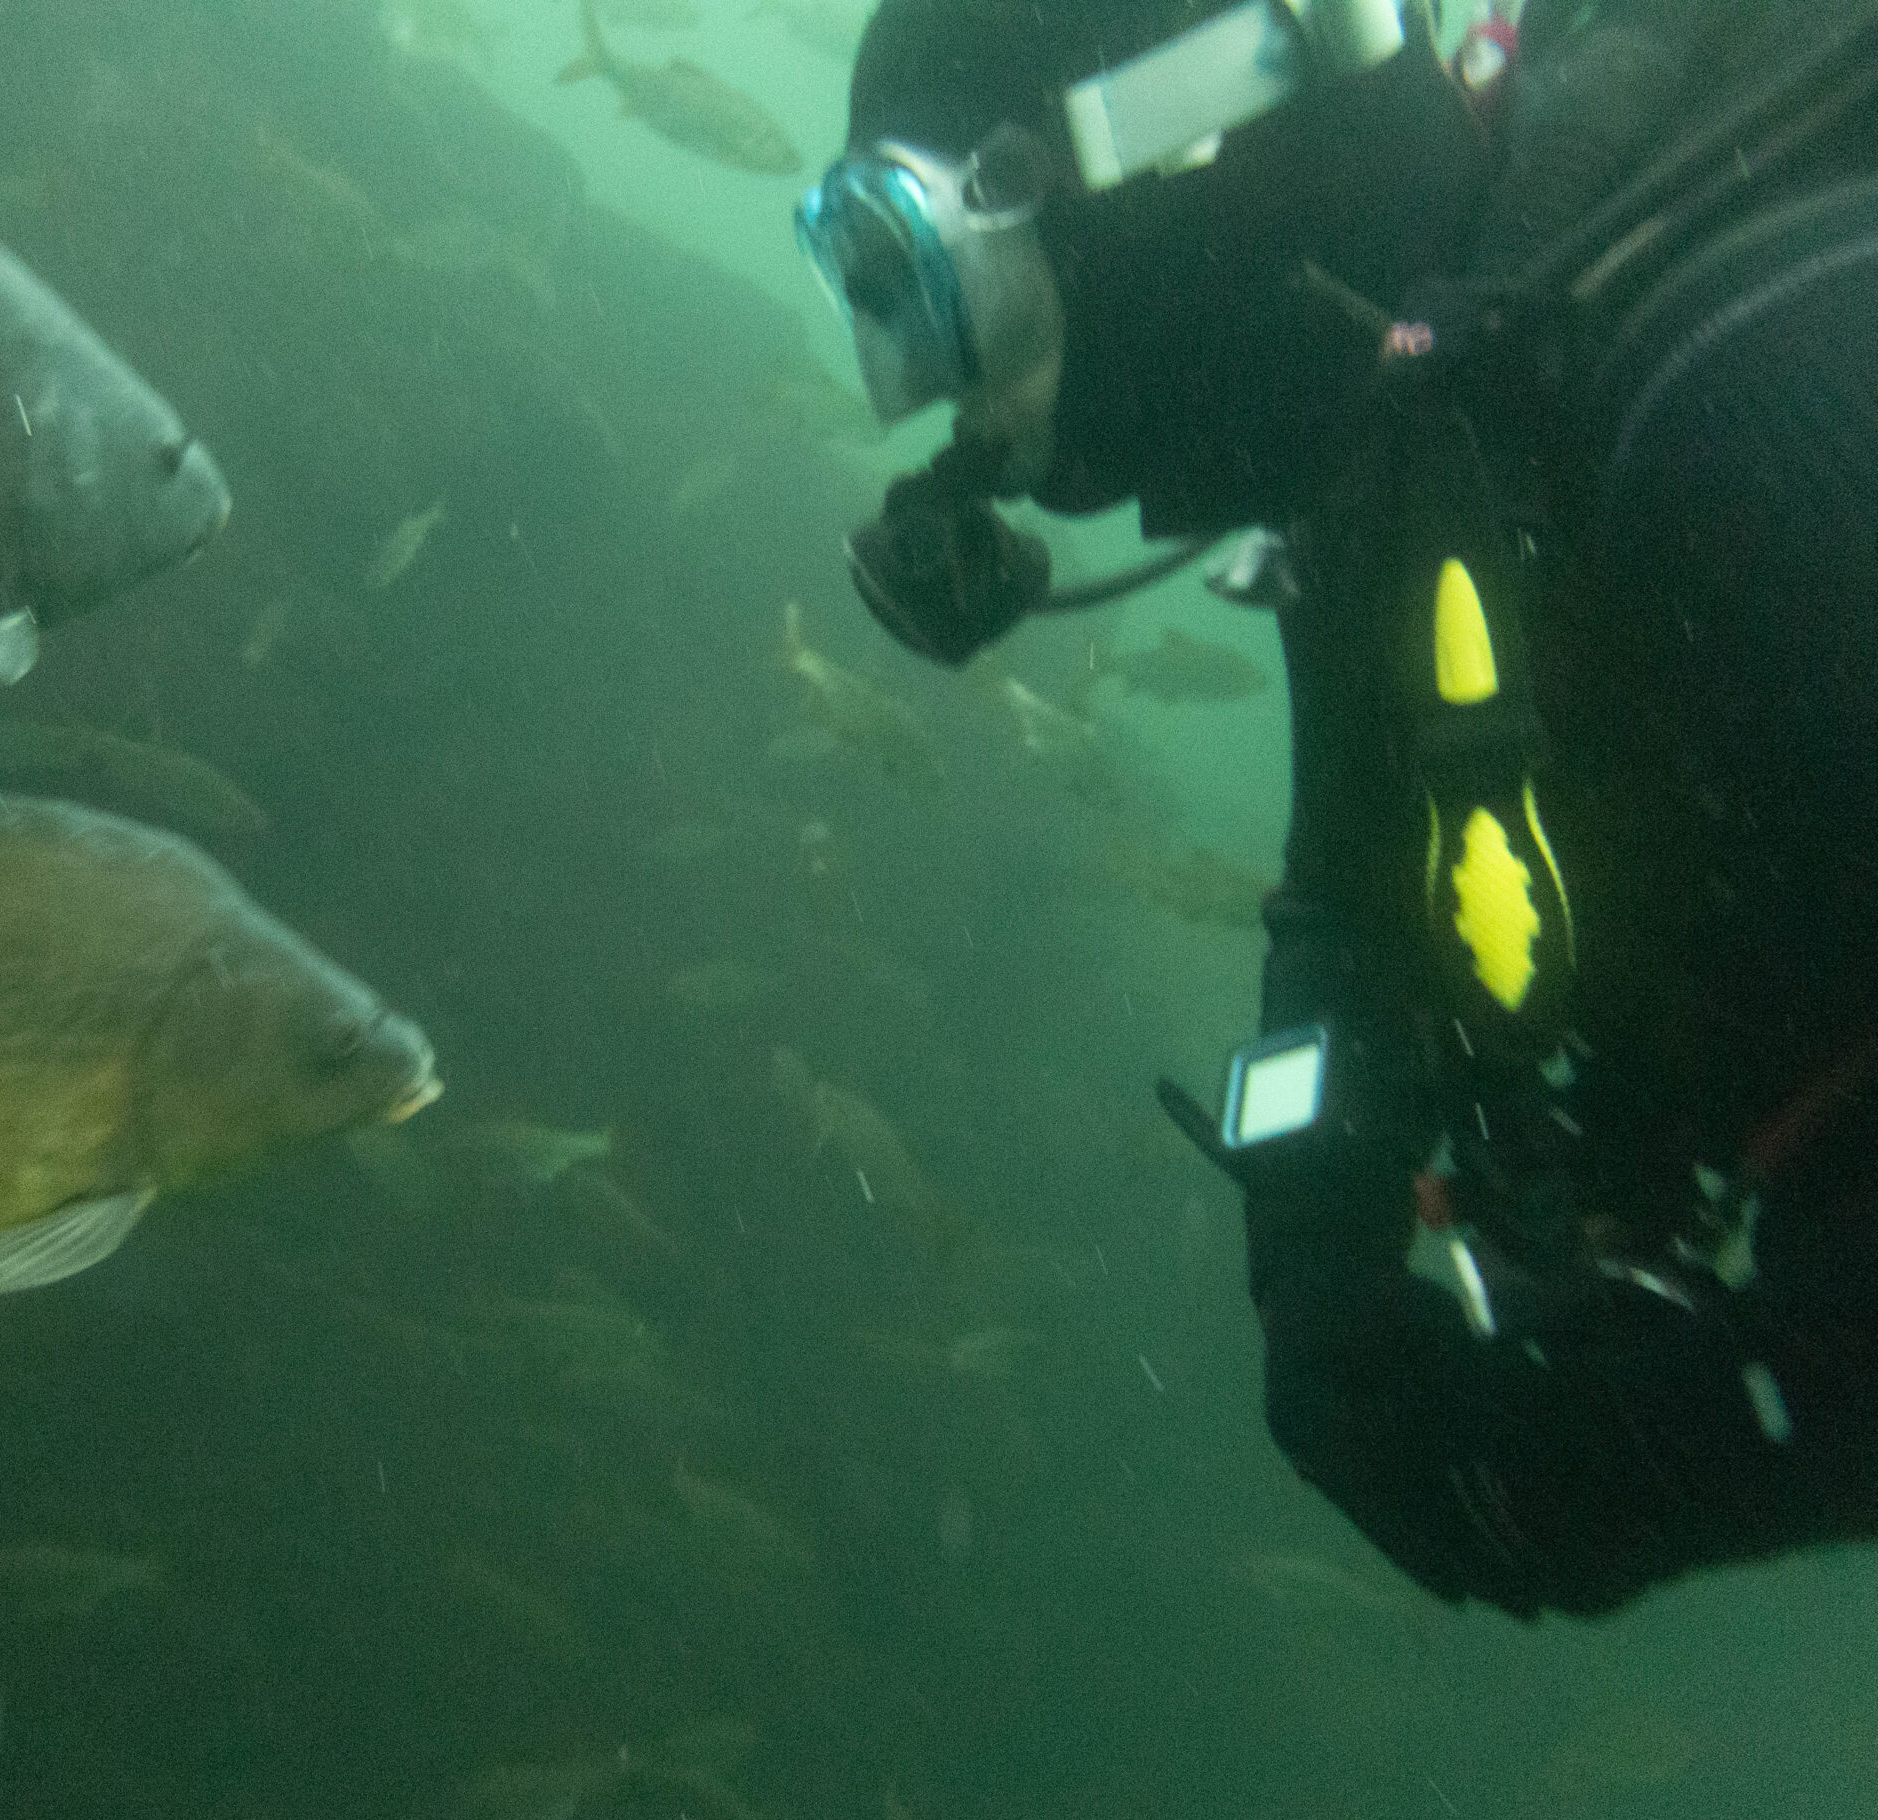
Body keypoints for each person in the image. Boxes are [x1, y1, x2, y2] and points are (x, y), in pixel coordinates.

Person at [798, 0, 1878, 1617]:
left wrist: (1665, 1448)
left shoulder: (1749, 404)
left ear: (1176, 157)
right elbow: (1344, 901)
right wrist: (1316, 1253)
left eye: (938, 296)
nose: (935, 407)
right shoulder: (1430, 455)